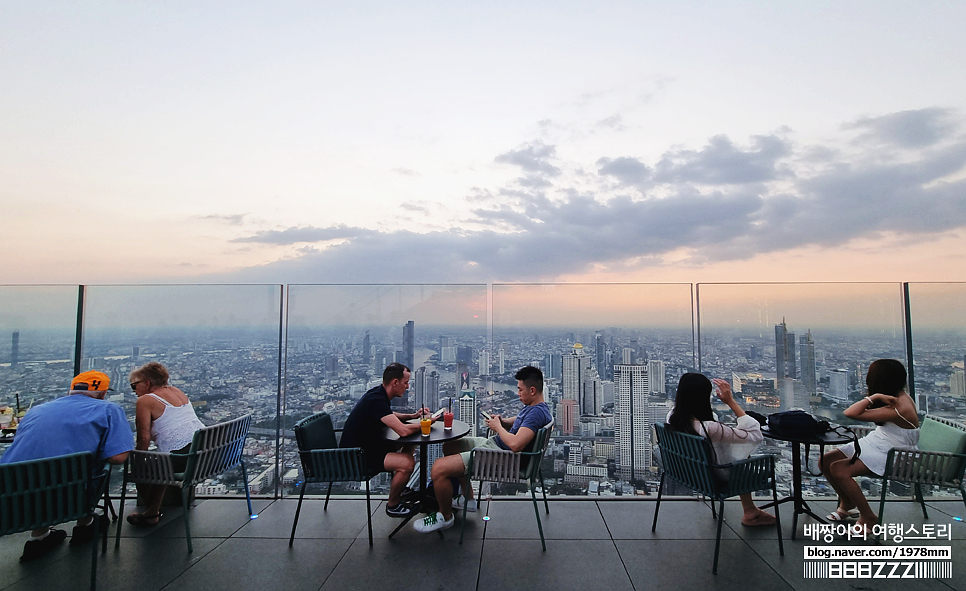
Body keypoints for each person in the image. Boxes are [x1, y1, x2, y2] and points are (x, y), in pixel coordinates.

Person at [0, 371, 132, 561]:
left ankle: (39, 538)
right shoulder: (108, 409)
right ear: (103, 394)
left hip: (16, 497)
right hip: (72, 499)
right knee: (74, 473)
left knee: (41, 472)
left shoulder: (37, 410)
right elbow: (118, 458)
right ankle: (84, 525)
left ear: (70, 391)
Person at [413, 365, 553, 534]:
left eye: (520, 389)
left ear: (532, 390)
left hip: (503, 457)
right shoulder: (539, 408)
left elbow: (516, 445)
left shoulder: (535, 413)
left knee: (439, 468)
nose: (518, 393)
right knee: (451, 445)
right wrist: (504, 421)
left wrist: (498, 427)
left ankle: (445, 516)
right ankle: (468, 499)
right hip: (497, 447)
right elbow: (522, 422)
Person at [666, 373, 776, 526]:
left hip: (690, 474)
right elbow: (754, 435)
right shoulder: (711, 429)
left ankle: (751, 510)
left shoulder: (673, 417)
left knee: (736, 457)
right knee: (744, 459)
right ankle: (750, 511)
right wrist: (730, 401)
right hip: (717, 477)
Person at [821, 359, 918, 532]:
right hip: (878, 442)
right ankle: (847, 502)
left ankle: (868, 517)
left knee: (839, 469)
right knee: (825, 461)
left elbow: (850, 413)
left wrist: (873, 397)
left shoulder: (898, 406)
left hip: (896, 454)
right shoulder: (898, 396)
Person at [340, 362, 430, 518]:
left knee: (412, 439)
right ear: (395, 382)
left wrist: (412, 416)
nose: (407, 387)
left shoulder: (377, 395)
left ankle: (401, 488)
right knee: (407, 463)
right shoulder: (376, 399)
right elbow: (403, 430)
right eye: (406, 382)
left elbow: (388, 414)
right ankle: (393, 505)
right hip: (357, 457)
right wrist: (429, 422)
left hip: (367, 448)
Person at [125, 361, 206, 527]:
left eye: (134, 386)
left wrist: (137, 463)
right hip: (205, 452)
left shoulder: (145, 401)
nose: (134, 391)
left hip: (185, 457)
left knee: (141, 469)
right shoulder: (176, 391)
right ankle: (152, 511)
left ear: (147, 383)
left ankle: (151, 512)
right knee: (160, 463)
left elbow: (144, 439)